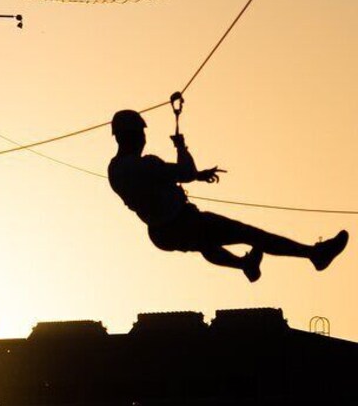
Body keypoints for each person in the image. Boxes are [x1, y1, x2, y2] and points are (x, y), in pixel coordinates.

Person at [107, 109, 348, 282]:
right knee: (249, 234)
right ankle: (314, 254)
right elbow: (184, 172)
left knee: (205, 244)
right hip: (184, 221)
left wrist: (197, 176)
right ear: (136, 135)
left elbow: (157, 183)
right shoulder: (146, 164)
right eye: (141, 134)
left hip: (160, 234)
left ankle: (244, 264)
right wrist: (181, 147)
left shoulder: (115, 170)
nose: (144, 139)